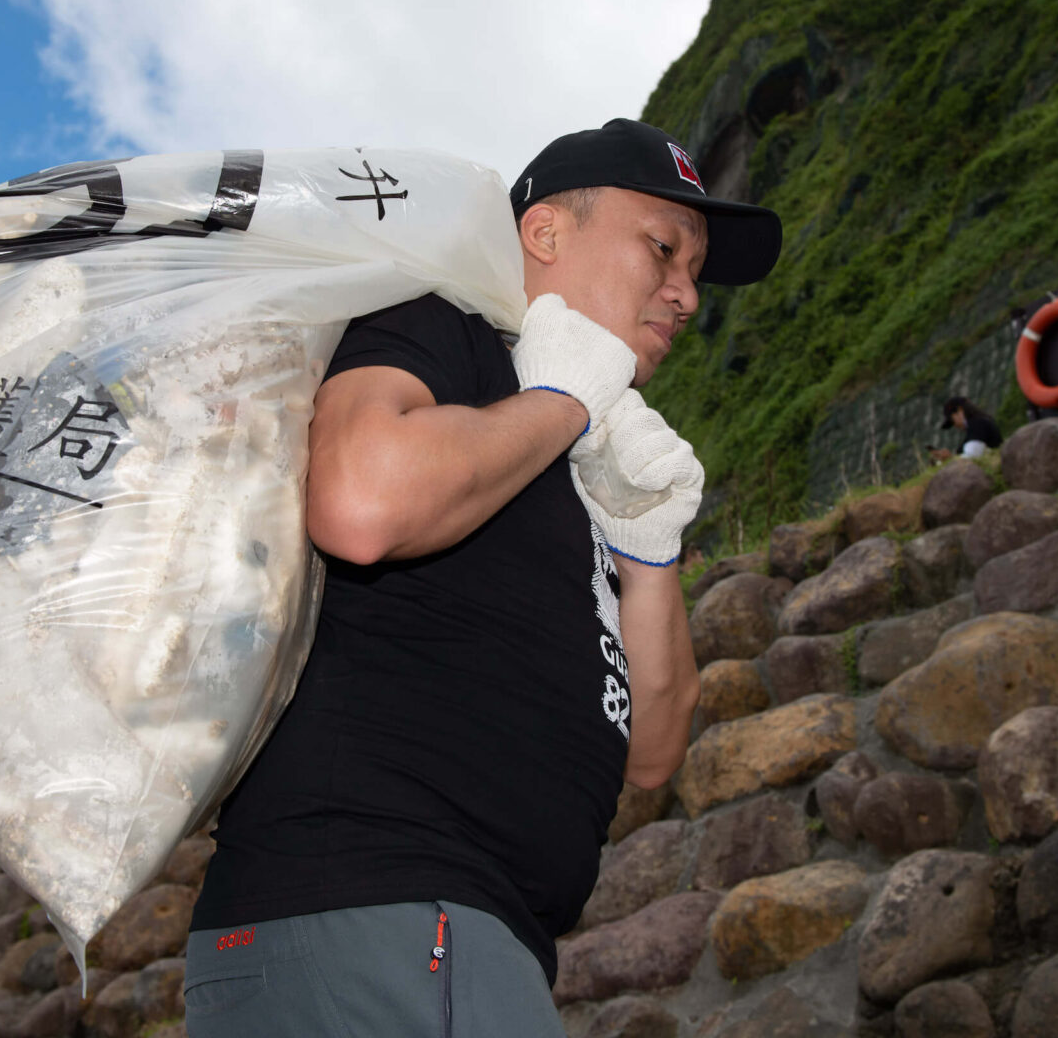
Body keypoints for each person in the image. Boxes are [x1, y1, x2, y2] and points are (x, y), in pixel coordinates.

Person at [183, 119, 782, 1036]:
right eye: (664, 249)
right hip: (377, 903)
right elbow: (363, 503)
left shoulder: (575, 454)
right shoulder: (442, 330)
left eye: (696, 272)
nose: (686, 294)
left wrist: (647, 551)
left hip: (461, 938)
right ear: (544, 234)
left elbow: (653, 753)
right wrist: (558, 401)